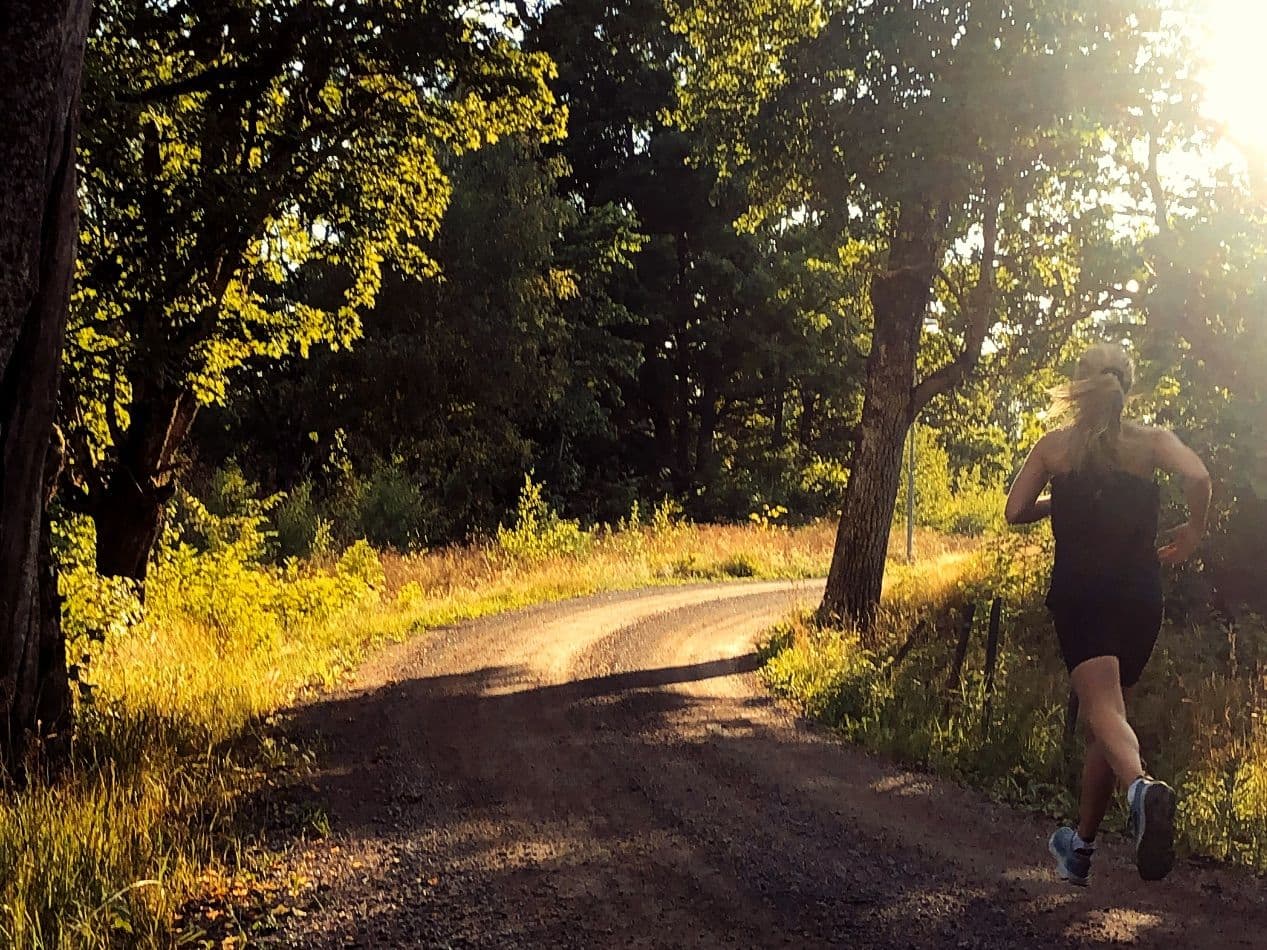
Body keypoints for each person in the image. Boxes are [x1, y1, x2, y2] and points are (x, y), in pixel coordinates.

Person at [1004, 342, 1212, 885]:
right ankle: (1080, 849)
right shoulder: (1153, 443)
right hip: (1143, 598)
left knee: (1102, 711)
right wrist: (1193, 532)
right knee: (1107, 720)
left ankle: (1142, 789)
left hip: (1084, 595)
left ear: (1079, 385)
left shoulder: (1055, 448)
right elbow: (1198, 477)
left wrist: (1060, 498)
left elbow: (1014, 510)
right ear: (1129, 385)